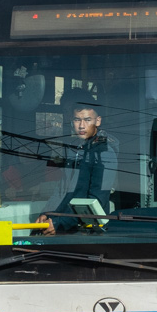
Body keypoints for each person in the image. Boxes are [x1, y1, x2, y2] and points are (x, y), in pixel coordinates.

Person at [39, 100, 118, 235]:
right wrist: (46, 213)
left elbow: (96, 201)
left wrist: (59, 223)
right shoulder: (75, 149)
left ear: (98, 121)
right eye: (77, 120)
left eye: (87, 120)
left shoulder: (104, 153)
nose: (81, 126)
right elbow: (62, 189)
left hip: (86, 230)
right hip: (64, 225)